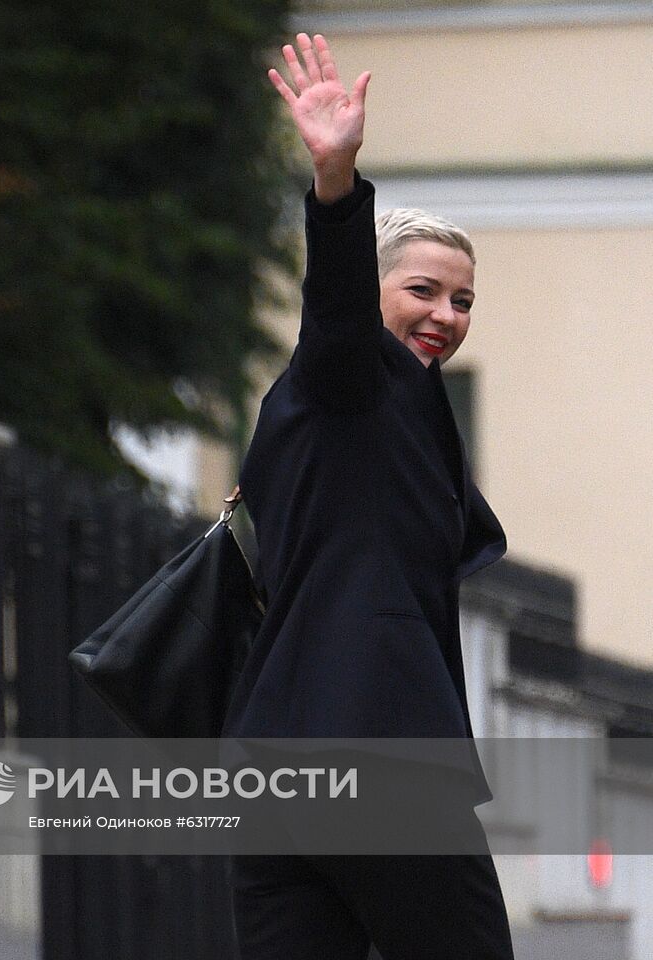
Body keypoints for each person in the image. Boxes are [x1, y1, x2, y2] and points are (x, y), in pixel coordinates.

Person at [221, 33, 516, 959]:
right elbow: (339, 312)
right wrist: (337, 179)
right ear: (369, 293)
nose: (445, 316)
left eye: (463, 302)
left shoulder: (340, 419)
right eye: (423, 290)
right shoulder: (348, 380)